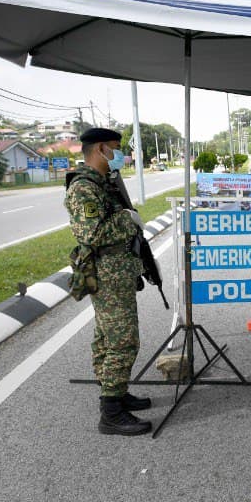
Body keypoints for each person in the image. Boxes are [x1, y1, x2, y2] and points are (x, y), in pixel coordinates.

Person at [65, 127, 151, 436]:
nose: (120, 154)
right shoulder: (83, 188)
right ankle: (111, 413)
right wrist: (128, 219)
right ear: (101, 149)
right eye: (115, 148)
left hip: (117, 273)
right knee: (122, 341)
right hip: (107, 275)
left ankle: (116, 391)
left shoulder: (104, 183)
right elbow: (92, 234)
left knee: (106, 336)